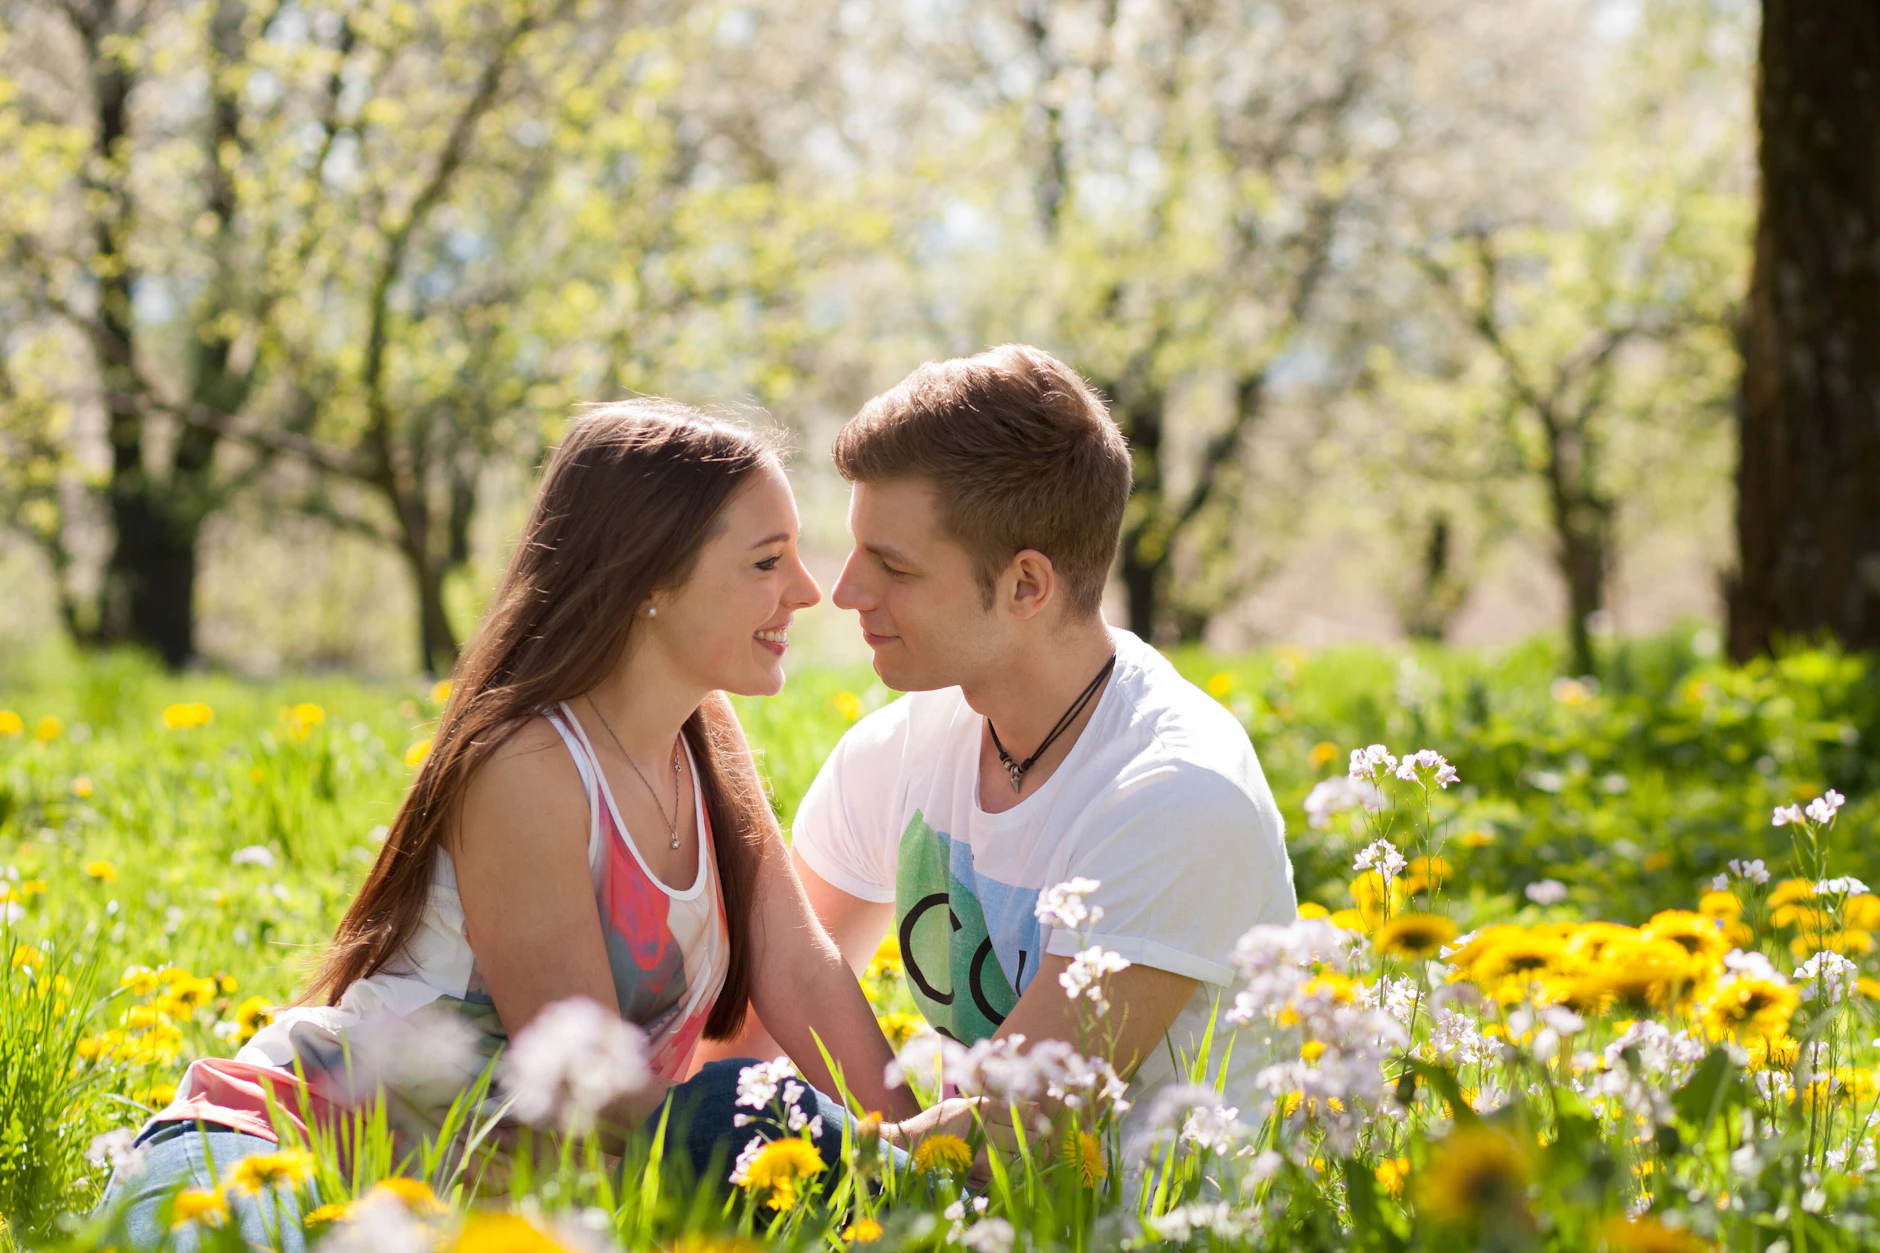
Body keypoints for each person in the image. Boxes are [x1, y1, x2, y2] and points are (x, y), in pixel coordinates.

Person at [97, 402, 930, 1250]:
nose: (807, 589)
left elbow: (803, 974)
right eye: (766, 560)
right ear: (648, 578)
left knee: (745, 1110)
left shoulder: (704, 738)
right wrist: (853, 1154)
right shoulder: (527, 766)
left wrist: (935, 1172)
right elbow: (591, 1091)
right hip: (266, 1166)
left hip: (454, 1215)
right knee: (740, 1106)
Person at [698, 346, 1297, 1143]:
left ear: (1026, 585)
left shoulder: (1179, 794)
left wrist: (776, 1153)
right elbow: (761, 1020)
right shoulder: (898, 750)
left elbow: (1021, 1131)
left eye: (894, 565)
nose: (843, 592)